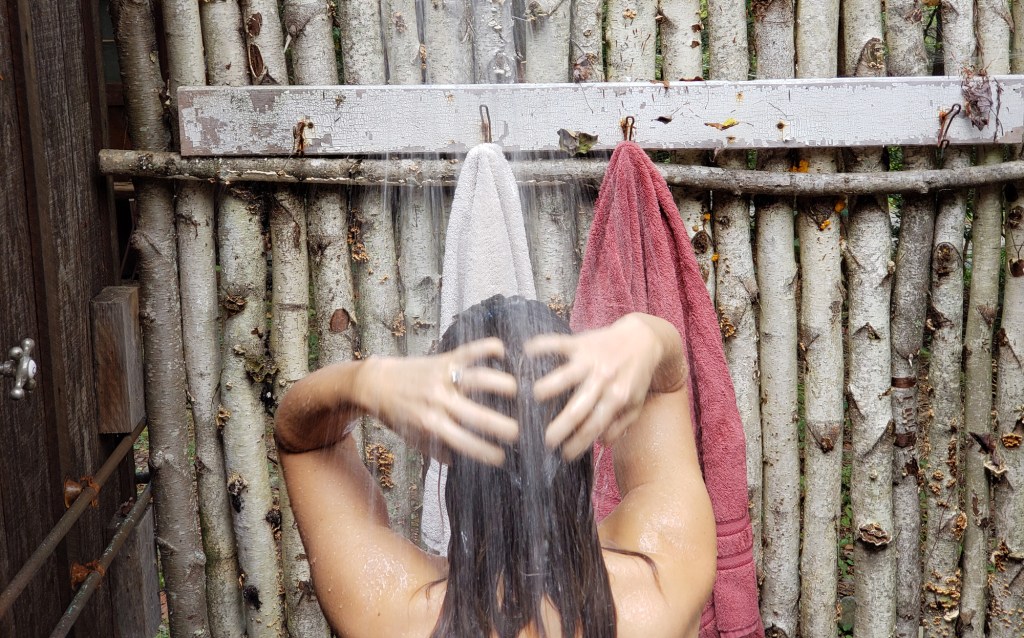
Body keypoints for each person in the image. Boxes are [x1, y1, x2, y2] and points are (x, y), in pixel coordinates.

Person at [274, 295, 716, 638]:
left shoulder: (392, 613)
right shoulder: (666, 579)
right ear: (592, 414)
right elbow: (665, 384)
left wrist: (366, 380)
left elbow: (302, 443)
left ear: (441, 444)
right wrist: (646, 334)